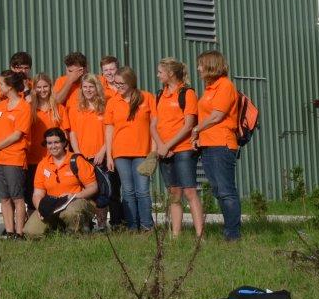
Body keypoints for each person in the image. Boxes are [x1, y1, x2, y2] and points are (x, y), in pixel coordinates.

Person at [191, 50, 242, 241]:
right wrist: (199, 137)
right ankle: (229, 231)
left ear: (210, 65)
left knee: (226, 190)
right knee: (219, 191)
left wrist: (196, 129)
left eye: (200, 64)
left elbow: (217, 116)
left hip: (222, 143)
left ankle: (233, 234)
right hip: (208, 144)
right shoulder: (210, 88)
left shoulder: (225, 86)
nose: (198, 68)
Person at [154, 58, 204, 238]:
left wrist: (168, 145)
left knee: (189, 191)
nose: (158, 75)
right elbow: (154, 124)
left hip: (183, 149)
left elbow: (188, 125)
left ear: (170, 74)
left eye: (160, 72)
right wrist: (161, 146)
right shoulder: (160, 95)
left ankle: (200, 235)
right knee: (174, 193)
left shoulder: (187, 93)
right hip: (165, 151)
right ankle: (176, 235)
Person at [104, 67, 157, 231]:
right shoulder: (112, 102)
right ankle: (132, 227)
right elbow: (109, 129)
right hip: (120, 153)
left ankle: (147, 226)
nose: (118, 86)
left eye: (122, 83)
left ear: (131, 82)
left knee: (142, 191)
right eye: (116, 83)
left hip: (142, 152)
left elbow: (155, 126)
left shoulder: (147, 98)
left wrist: (153, 153)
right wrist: (109, 156)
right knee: (127, 191)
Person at [0, 71, 32, 238]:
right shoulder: (0, 106)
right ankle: (9, 231)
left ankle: (19, 232)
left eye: (1, 84)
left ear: (10, 87)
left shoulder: (24, 107)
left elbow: (17, 135)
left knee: (17, 197)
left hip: (13, 158)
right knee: (4, 197)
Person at [24, 128, 99, 238]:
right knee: (31, 232)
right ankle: (58, 229)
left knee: (71, 213)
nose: (53, 146)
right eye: (49, 143)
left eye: (56, 142)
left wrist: (74, 196)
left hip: (76, 200)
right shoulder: (43, 164)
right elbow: (37, 193)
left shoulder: (77, 160)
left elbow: (93, 187)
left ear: (64, 143)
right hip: (53, 204)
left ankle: (79, 232)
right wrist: (41, 208)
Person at [67, 74, 110, 230]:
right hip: (82, 158)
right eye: (85, 87)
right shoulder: (75, 108)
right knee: (85, 192)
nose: (88, 90)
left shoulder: (105, 107)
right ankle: (86, 224)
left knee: (102, 192)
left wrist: (102, 152)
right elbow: (72, 134)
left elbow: (110, 132)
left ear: (97, 87)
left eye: (91, 86)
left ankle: (102, 225)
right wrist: (78, 155)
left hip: (100, 157)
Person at [25, 73, 61, 209]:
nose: (42, 90)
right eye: (38, 87)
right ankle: (34, 218)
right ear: (34, 89)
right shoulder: (29, 108)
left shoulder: (58, 108)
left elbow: (65, 134)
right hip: (33, 158)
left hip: (54, 159)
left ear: (50, 87)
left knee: (54, 191)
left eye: (45, 86)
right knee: (32, 194)